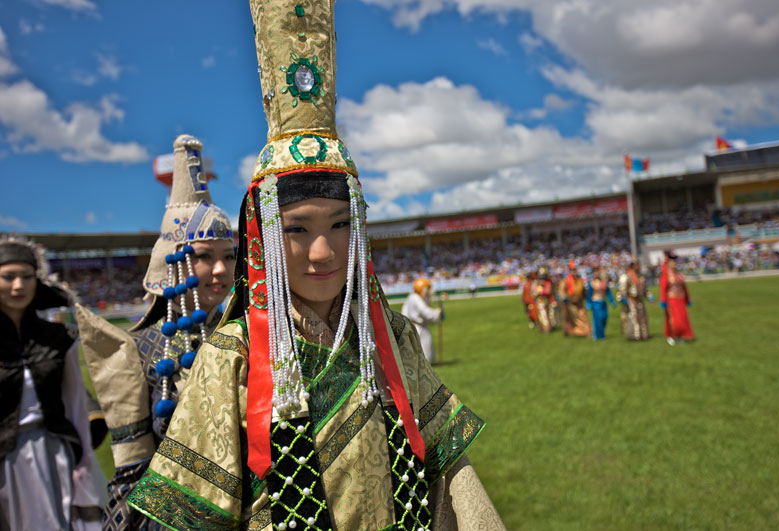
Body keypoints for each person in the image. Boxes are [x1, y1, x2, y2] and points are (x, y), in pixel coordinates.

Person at [126, 2, 504, 529]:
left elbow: (450, 482)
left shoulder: (392, 338)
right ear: (261, 240)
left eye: (340, 225)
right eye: (297, 230)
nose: (323, 253)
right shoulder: (232, 361)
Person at [75, 134, 235, 530]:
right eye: (205, 257)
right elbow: (131, 468)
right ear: (176, 262)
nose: (221, 270)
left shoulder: (242, 333)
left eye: (229, 257)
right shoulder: (137, 349)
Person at [0, 237, 107, 531]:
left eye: (26, 276)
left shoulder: (59, 339)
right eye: (8, 277)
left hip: (55, 451)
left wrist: (83, 460)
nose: (18, 286)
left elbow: (74, 405)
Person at [402, 277, 444, 363]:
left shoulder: (413, 297)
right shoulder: (415, 298)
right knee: (425, 350)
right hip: (418, 327)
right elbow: (426, 312)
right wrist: (437, 313)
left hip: (414, 326)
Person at [660, 250, 694, 345]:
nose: (675, 264)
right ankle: (671, 335)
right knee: (673, 319)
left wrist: (688, 299)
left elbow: (684, 288)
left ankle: (680, 335)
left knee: (682, 319)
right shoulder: (666, 276)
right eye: (673, 262)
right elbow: (663, 289)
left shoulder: (679, 276)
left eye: (675, 262)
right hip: (671, 300)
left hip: (680, 300)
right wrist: (663, 300)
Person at [616, 260, 651, 341]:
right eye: (635, 265)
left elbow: (645, 289)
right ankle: (635, 335)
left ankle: (643, 335)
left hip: (639, 300)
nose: (638, 267)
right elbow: (622, 289)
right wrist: (622, 298)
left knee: (642, 317)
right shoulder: (626, 276)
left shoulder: (640, 277)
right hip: (631, 299)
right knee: (633, 317)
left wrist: (649, 296)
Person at [558, 261, 590, 337]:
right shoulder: (566, 280)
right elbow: (561, 290)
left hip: (579, 302)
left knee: (583, 316)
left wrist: (587, 298)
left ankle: (587, 332)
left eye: (574, 270)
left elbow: (584, 291)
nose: (573, 272)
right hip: (570, 302)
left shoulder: (579, 280)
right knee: (573, 318)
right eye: (571, 270)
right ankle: (575, 332)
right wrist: (564, 297)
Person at [586, 266, 616, 340]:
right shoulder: (592, 282)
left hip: (603, 302)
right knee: (598, 319)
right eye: (595, 271)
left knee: (604, 318)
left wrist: (612, 301)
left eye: (597, 271)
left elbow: (608, 291)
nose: (596, 273)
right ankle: (598, 335)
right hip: (596, 302)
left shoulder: (603, 281)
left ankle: (601, 333)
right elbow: (589, 293)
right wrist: (589, 303)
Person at [533, 266, 556, 333]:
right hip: (539, 302)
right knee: (542, 315)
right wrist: (536, 292)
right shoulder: (537, 282)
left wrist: (540, 292)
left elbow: (548, 292)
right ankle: (544, 328)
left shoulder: (548, 282)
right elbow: (533, 293)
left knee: (549, 315)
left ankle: (548, 328)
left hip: (546, 300)